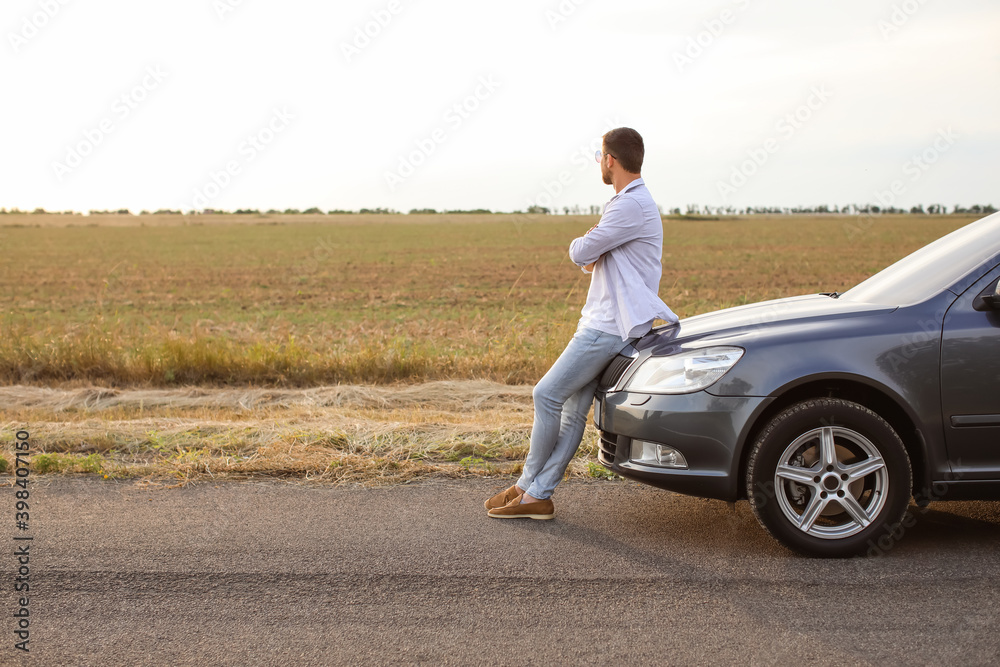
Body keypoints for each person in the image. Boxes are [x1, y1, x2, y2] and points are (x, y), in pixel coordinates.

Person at [486, 127, 678, 519]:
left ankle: (528, 485)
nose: (598, 163)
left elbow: (580, 251)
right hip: (608, 320)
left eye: (599, 156)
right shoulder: (631, 203)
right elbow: (592, 257)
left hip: (606, 326)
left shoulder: (628, 205)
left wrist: (591, 240)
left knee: (546, 395)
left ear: (610, 160)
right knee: (573, 409)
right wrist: (595, 246)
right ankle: (537, 493)